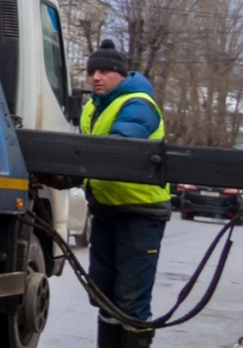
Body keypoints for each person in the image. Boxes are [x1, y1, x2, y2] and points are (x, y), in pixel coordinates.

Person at [81, 38, 169, 348]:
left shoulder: (138, 106)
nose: (96, 78)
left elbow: (119, 148)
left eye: (104, 71)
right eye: (93, 71)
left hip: (139, 215)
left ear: (121, 75)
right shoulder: (92, 107)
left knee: (131, 302)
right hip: (106, 211)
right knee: (105, 297)